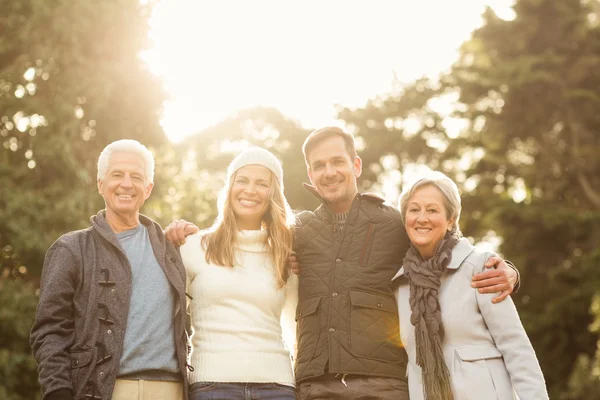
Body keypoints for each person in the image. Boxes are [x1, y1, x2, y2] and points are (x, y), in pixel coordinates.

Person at [165, 127, 519, 400]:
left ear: (356, 165)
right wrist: (184, 232)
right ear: (310, 174)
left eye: (337, 161)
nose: (329, 171)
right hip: (315, 387)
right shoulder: (295, 232)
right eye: (319, 166)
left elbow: (446, 248)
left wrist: (507, 271)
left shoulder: (394, 224)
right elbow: (243, 242)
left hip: (382, 386)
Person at [30, 139, 190, 400]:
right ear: (100, 184)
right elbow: (49, 330)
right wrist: (58, 390)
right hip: (102, 390)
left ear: (148, 188)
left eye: (136, 176)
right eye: (117, 174)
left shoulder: (172, 249)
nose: (126, 184)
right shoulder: (71, 249)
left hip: (170, 390)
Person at [393, 171, 548, 399]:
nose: (422, 218)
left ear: (451, 220)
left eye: (433, 210)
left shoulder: (480, 268)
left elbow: (516, 349)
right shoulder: (400, 285)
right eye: (414, 209)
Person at [180, 147, 298, 399]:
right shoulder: (192, 247)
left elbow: (298, 328)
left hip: (277, 387)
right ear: (229, 188)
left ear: (274, 194)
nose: (250, 190)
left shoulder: (286, 256)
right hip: (211, 385)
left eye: (262, 183)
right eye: (242, 180)